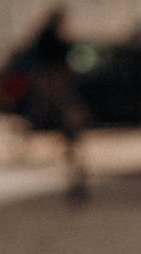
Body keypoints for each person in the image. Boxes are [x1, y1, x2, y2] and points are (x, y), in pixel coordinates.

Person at [26, 7, 89, 200]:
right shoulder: (54, 74)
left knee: (70, 136)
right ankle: (75, 176)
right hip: (56, 95)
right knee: (70, 134)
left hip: (57, 101)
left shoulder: (47, 45)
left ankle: (76, 176)